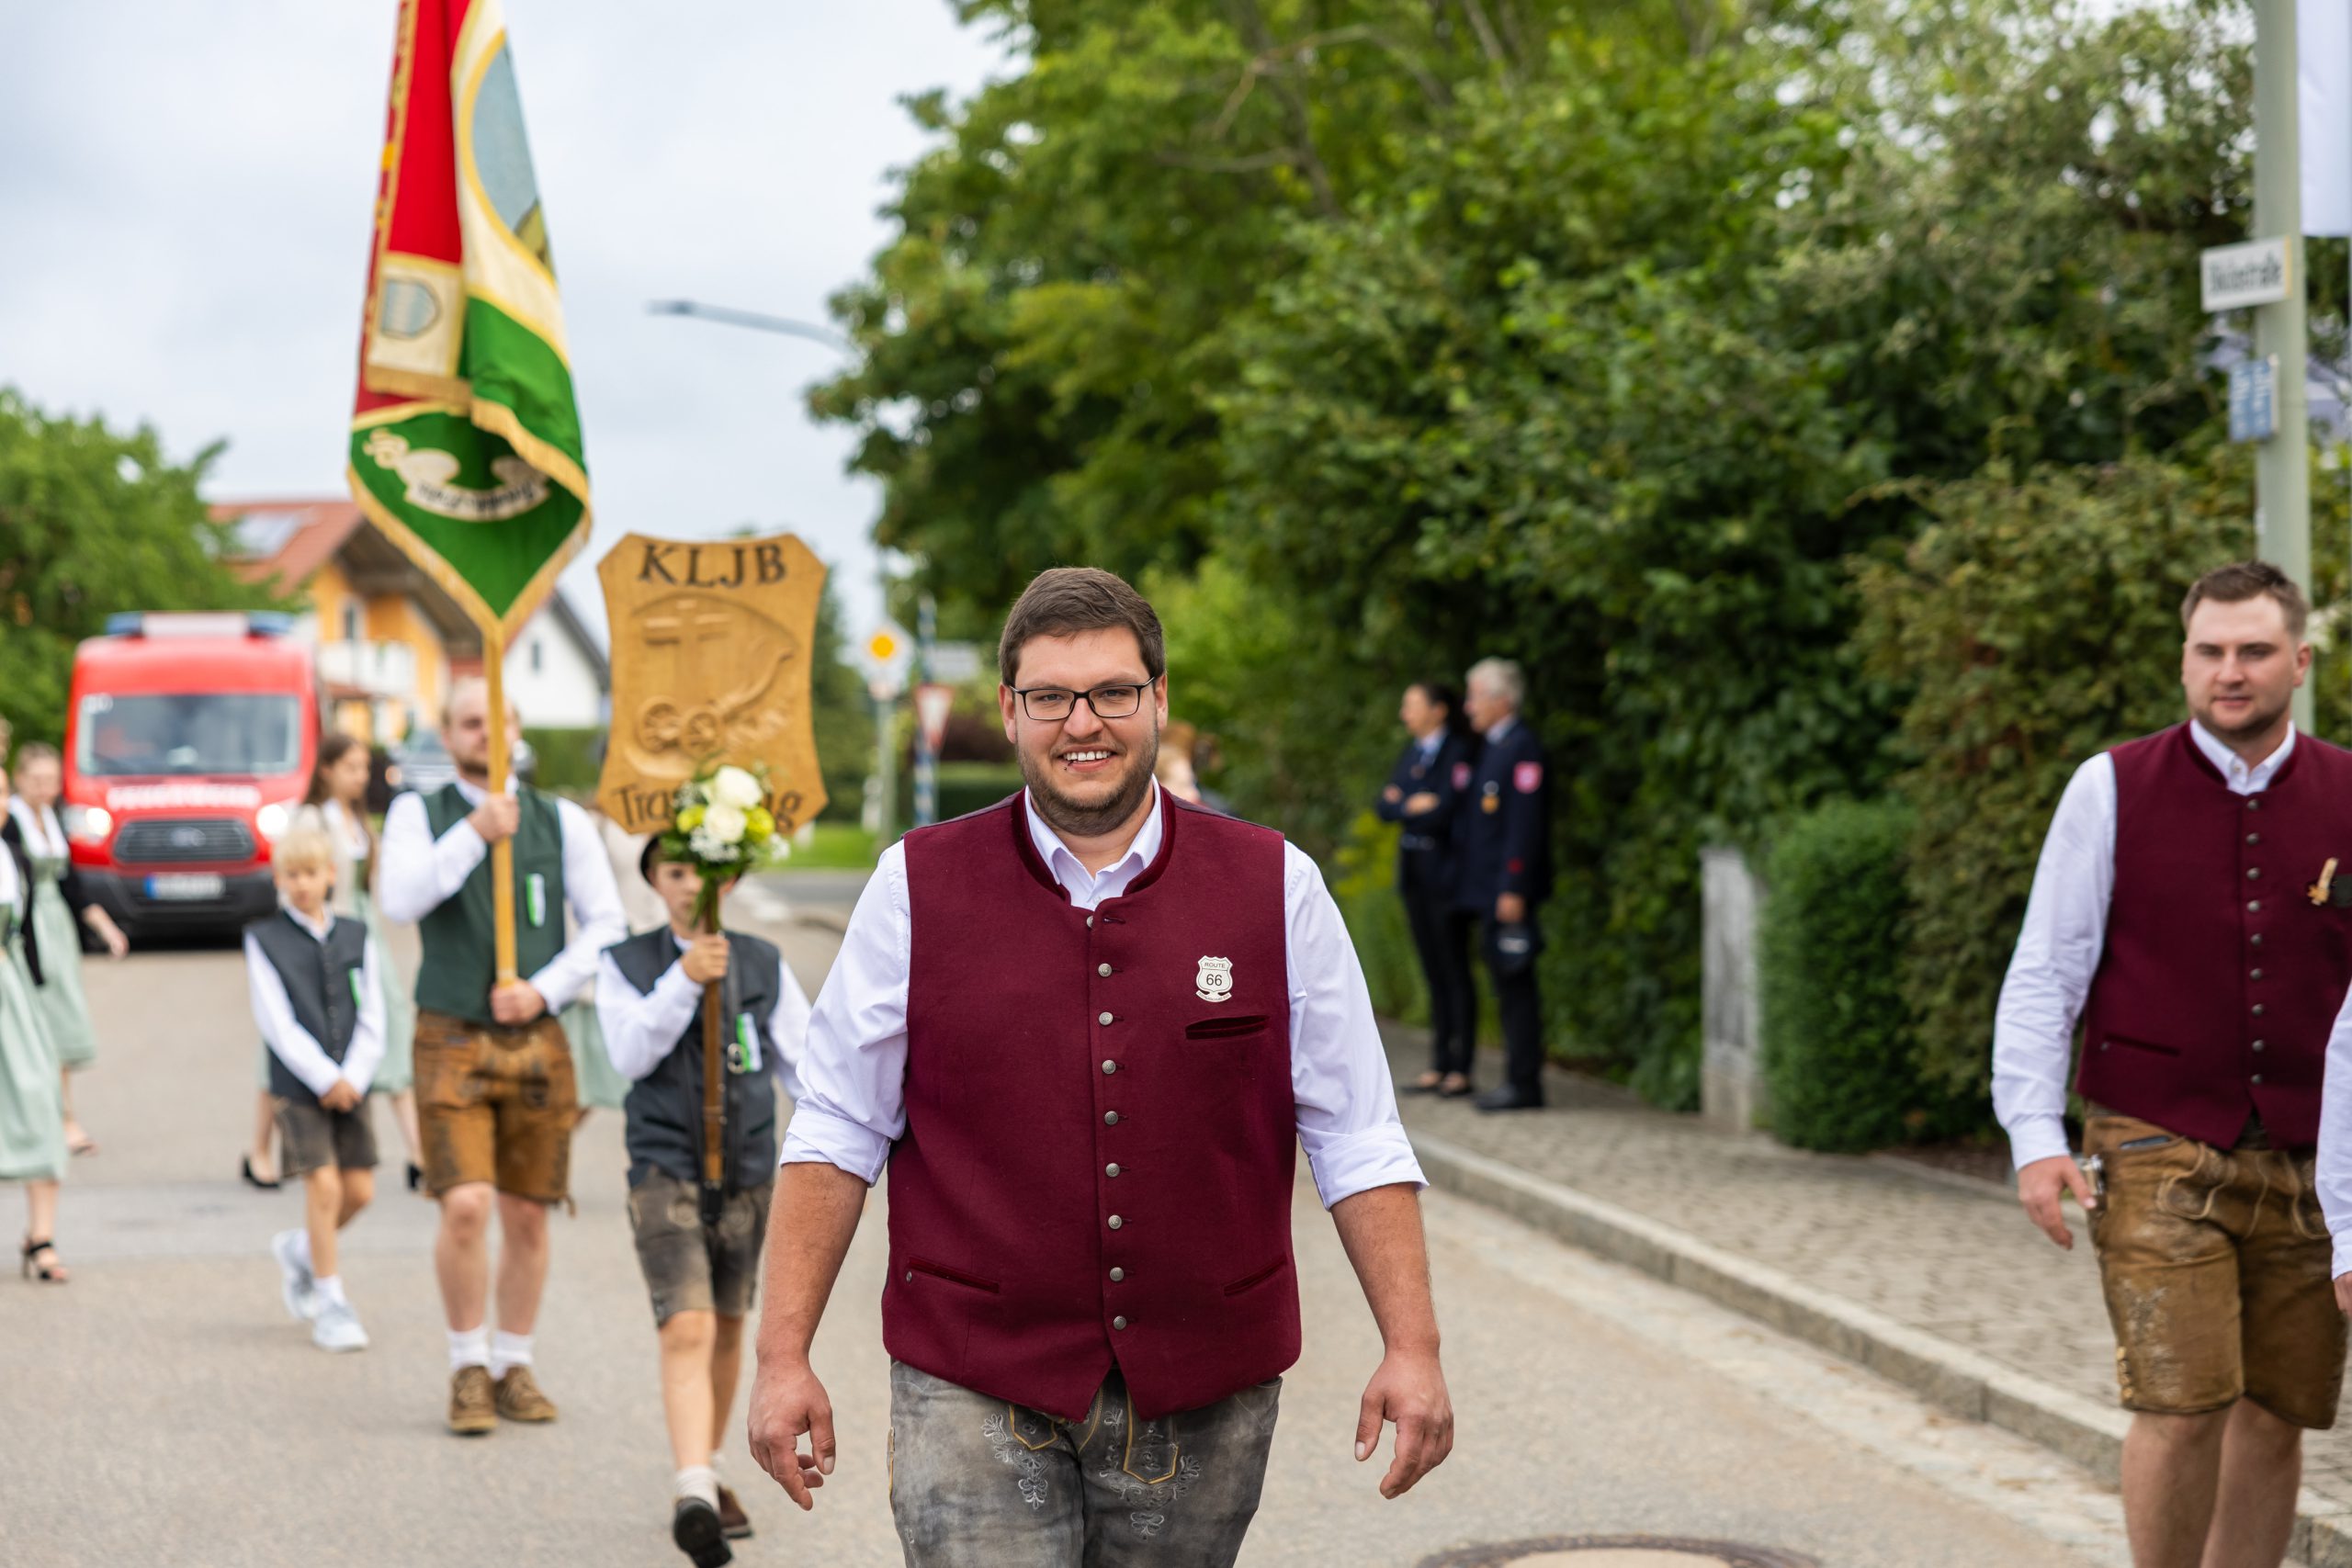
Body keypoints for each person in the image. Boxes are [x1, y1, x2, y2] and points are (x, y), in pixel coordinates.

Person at [747, 567, 1452, 1564]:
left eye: (1113, 691)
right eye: (1050, 696)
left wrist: (1413, 1346)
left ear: (1158, 698)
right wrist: (782, 1356)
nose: (1083, 722)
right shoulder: (914, 885)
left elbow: (1357, 1132)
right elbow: (836, 1126)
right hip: (971, 1375)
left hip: (1206, 1383)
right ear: (1010, 709)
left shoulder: (1276, 885)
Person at [1999, 561, 2344, 1568]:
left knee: (2277, 1412)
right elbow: (2046, 968)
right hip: (2154, 1135)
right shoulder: (2108, 786)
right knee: (2180, 1401)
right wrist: (2034, 1135)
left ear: (2299, 662)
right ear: (2184, 661)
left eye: (2254, 651)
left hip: (2316, 1154)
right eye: (2210, 651)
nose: (2230, 671)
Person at [376, 678, 626, 1436]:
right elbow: (399, 899)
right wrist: (475, 832)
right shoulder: (418, 813)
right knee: (464, 1204)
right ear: (448, 734)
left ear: (516, 728)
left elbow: (606, 923)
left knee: (527, 1210)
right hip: (450, 1033)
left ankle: (514, 1361)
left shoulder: (561, 820)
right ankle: (467, 1364)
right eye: (468, 721)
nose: (483, 732)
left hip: (536, 1035)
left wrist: (545, 988)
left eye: (495, 719)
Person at [599, 839, 811, 1567]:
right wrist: (683, 980)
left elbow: (805, 1065)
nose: (692, 885)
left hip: (746, 1168)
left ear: (733, 877)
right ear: (655, 881)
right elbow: (629, 1053)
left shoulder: (762, 961)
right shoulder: (626, 963)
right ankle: (692, 1489)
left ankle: (709, 1468)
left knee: (725, 1325)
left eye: (705, 871)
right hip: (666, 1166)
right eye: (675, 871)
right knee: (685, 1322)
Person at [245, 733, 422, 1193]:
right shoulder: (312, 818)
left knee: (386, 1024)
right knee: (296, 1033)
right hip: (320, 931)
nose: (360, 777)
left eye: (364, 768)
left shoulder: (357, 818)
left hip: (359, 931)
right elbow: (295, 875)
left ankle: (417, 1151)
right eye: (350, 768)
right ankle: (259, 1147)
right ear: (326, 770)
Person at [251, 827, 385, 1353]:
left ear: (331, 875)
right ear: (279, 879)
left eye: (311, 874)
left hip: (354, 1078)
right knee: (324, 1187)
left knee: (359, 1191)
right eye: (292, 875)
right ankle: (331, 1302)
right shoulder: (264, 939)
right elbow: (277, 1022)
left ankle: (302, 1251)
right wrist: (325, 1077)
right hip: (300, 1083)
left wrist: (355, 1074)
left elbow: (373, 1010)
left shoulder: (357, 933)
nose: (302, 884)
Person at [6, 743, 128, 1157]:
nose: (45, 789)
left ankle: (61, 1116)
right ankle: (55, 1119)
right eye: (36, 780)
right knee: (37, 1025)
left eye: (51, 781)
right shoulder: (12, 823)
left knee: (60, 1023)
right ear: (19, 779)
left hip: (57, 930)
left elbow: (71, 885)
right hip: (29, 932)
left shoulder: (52, 819)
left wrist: (105, 927)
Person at [1452, 658, 1552, 1112]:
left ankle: (1524, 1082)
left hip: (1506, 889)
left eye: (1476, 696)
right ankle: (1516, 1077)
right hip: (1490, 887)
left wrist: (1514, 885)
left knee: (1516, 984)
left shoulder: (1522, 748)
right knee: (1504, 983)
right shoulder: (1492, 747)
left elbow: (1523, 826)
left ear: (1502, 700)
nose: (1468, 706)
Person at [1374, 682, 1478, 1098]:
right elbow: (1385, 806)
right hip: (1415, 874)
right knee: (1432, 968)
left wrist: (1410, 804)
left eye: (1413, 705)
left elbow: (1448, 808)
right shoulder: (1414, 752)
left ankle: (1461, 1066)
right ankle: (1439, 1062)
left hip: (1447, 877)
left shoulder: (1459, 751)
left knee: (1454, 968)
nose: (1405, 714)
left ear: (1438, 710)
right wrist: (1412, 805)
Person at [0, 764, 69, 1283]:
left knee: (41, 1096)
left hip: (13, 990)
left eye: (2, 793)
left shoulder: (12, 854)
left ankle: (41, 1235)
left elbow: (22, 936)